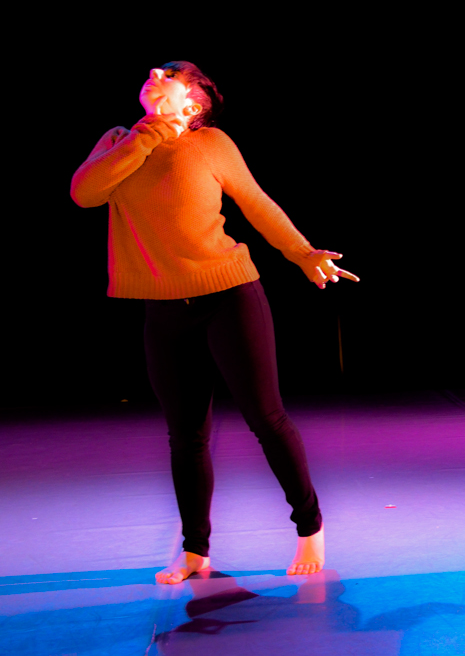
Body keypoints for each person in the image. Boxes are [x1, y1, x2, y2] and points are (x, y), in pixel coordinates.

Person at [70, 61, 358, 584]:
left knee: (266, 418)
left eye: (171, 74)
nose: (154, 71)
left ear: (194, 103)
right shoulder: (117, 140)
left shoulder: (212, 144)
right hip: (162, 305)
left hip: (229, 293)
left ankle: (310, 527)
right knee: (185, 435)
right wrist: (149, 134)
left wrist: (303, 253)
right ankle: (195, 551)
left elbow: (256, 203)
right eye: (155, 71)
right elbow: (86, 193)